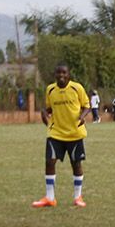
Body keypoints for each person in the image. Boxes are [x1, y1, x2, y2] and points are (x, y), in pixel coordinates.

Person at [32, 63, 91, 208]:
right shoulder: (50, 90)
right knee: (49, 162)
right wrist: (44, 114)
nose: (61, 75)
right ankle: (50, 198)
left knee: (76, 164)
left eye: (64, 73)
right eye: (59, 73)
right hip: (56, 133)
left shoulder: (77, 88)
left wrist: (82, 117)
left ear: (68, 74)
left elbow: (87, 106)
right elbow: (48, 108)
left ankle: (78, 197)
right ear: (55, 75)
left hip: (74, 133)